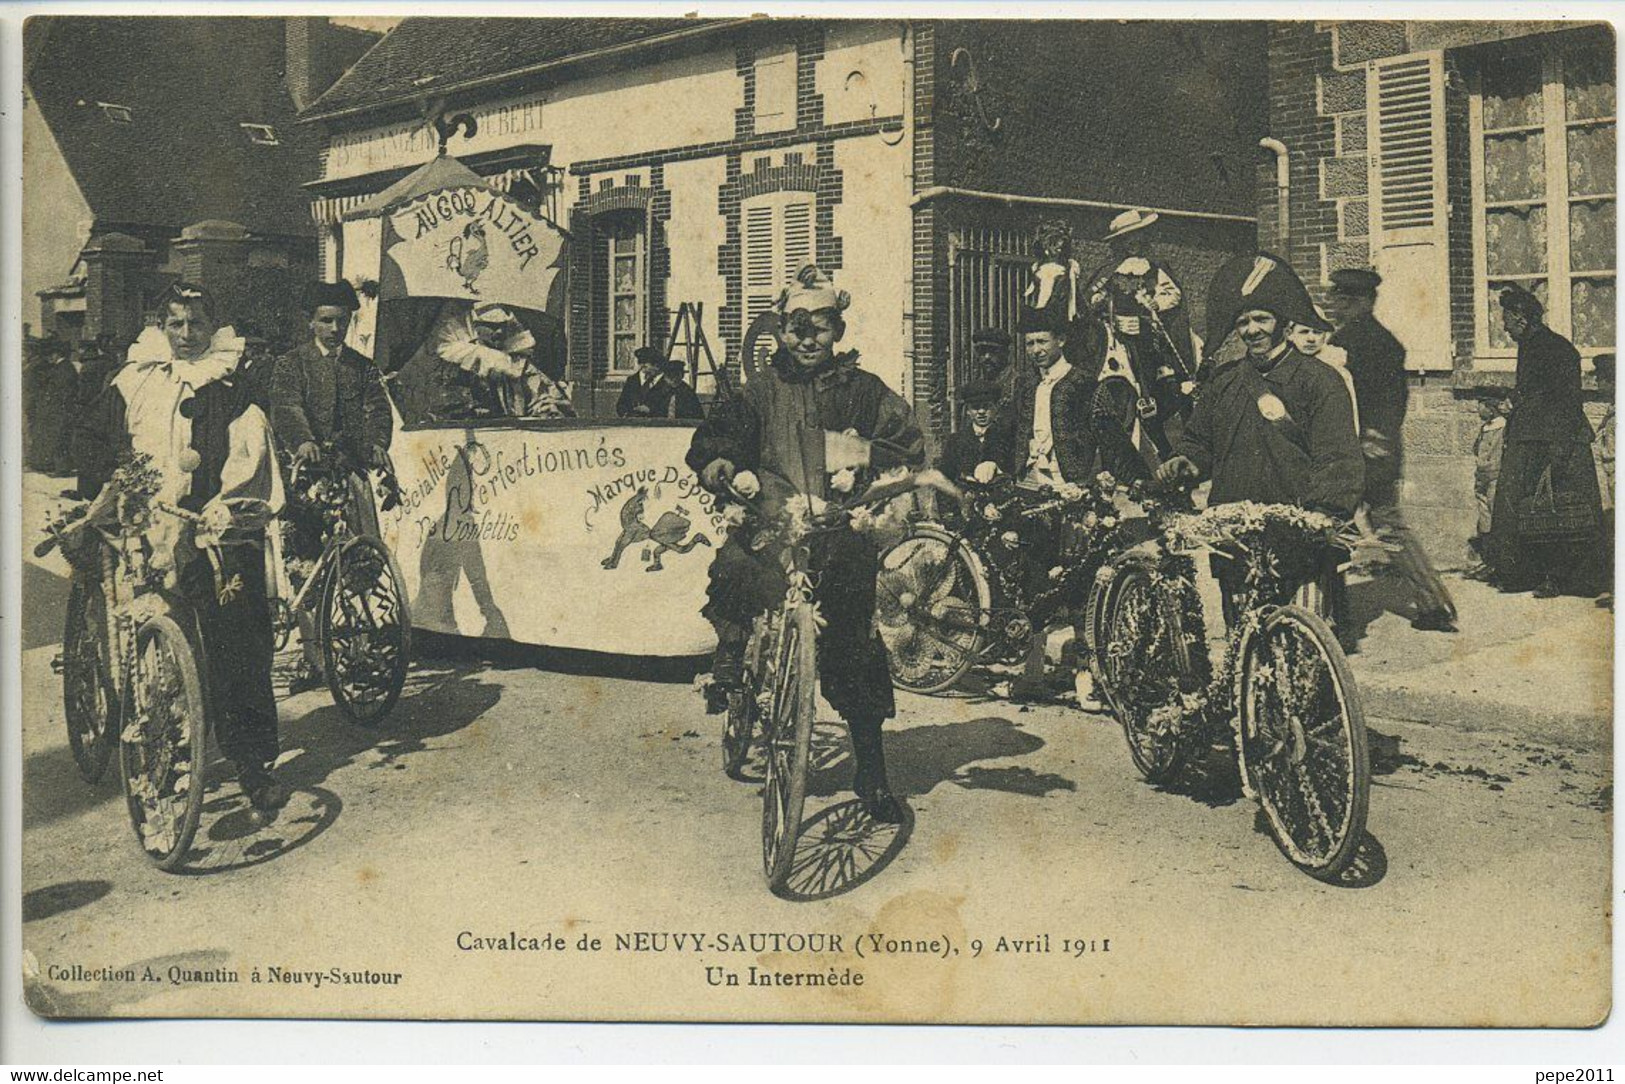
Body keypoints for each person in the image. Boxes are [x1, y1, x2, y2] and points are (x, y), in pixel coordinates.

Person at [688, 265, 924, 823]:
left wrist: (865, 463)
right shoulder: (760, 391)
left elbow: (906, 440)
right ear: (780, 333)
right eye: (797, 327)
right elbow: (721, 436)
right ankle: (732, 664)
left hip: (838, 527)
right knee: (736, 568)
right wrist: (721, 460)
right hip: (774, 519)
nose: (808, 339)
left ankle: (871, 767)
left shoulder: (864, 391)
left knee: (853, 643)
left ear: (837, 330)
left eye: (820, 327)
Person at [77, 283, 288, 814]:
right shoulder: (135, 379)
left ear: (212, 325)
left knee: (238, 641)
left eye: (195, 323)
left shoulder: (232, 385)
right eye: (176, 324)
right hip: (146, 528)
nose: (186, 335)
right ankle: (162, 751)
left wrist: (224, 505)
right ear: (162, 326)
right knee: (152, 643)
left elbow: (252, 456)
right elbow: (92, 442)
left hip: (212, 528)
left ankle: (251, 764)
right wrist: (117, 480)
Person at [1158, 252, 1364, 516]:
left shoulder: (1320, 380)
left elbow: (1339, 462)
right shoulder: (1223, 381)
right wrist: (1187, 461)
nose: (1251, 330)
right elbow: (1199, 442)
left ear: (1283, 323)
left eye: (1261, 319)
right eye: (1243, 322)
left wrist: (1322, 516)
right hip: (1228, 529)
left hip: (1298, 527)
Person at [272, 280, 397, 691]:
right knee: (305, 568)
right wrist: (302, 440)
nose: (333, 329)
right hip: (306, 480)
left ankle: (359, 652)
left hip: (348, 475)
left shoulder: (362, 367)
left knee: (359, 563)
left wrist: (378, 445)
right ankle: (311, 658)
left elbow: (377, 409)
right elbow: (287, 405)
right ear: (311, 323)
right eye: (325, 321)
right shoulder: (292, 364)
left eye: (341, 321)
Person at [1325, 268, 1456, 631]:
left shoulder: (1352, 343)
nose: (1334, 305)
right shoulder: (1380, 340)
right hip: (1375, 447)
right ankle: (1433, 603)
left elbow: (1382, 402)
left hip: (1363, 449)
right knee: (1381, 525)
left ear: (1356, 302)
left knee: (1348, 525)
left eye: (1339, 299)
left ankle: (1333, 613)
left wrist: (1372, 441)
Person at [1485, 286, 1604, 595]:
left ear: (1520, 318)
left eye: (1506, 321)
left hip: (1557, 442)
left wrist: (1559, 453)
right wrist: (1511, 404)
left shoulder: (1559, 350)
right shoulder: (1530, 345)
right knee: (1527, 510)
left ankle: (1561, 578)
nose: (1504, 328)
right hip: (1531, 440)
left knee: (1561, 511)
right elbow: (1533, 392)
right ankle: (1527, 574)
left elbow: (1567, 403)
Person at [1084, 209, 1202, 426]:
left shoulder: (1154, 267)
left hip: (1145, 325)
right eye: (1127, 239)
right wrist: (1098, 299)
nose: (1133, 243)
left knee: (1152, 354)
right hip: (1115, 325)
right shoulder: (1110, 270)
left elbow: (1173, 293)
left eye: (1137, 237)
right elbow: (1094, 293)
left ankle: (1151, 397)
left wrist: (1158, 302)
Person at [394, 300, 533, 423]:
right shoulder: (458, 356)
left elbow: (537, 389)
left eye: (501, 325)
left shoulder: (515, 358)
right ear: (476, 327)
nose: (497, 331)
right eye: (489, 326)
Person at [1468, 391, 1512, 575]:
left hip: (1496, 478)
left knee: (1497, 518)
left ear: (1491, 407)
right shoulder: (1484, 428)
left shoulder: (1504, 427)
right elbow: (1476, 450)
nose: (1478, 408)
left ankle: (1501, 563)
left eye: (1481, 404)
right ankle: (1488, 560)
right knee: (1484, 519)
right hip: (1482, 478)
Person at [938, 379, 1004, 483]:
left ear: (996, 408)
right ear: (968, 411)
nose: (981, 412)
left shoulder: (1007, 437)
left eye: (986, 407)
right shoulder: (956, 441)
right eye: (975, 407)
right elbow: (945, 480)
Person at [617, 347, 704, 419]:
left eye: (646, 366)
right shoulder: (632, 380)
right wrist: (627, 414)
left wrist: (650, 410)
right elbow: (621, 404)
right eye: (641, 365)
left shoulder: (670, 383)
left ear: (657, 366)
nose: (643, 371)